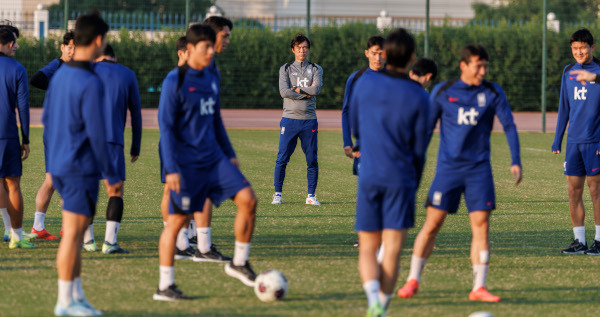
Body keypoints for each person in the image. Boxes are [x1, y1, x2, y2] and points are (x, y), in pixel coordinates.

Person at [397, 44, 522, 302]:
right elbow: (425, 131)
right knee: (432, 224)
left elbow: (509, 124)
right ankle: (413, 279)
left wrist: (515, 160)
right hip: (449, 170)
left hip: (479, 170)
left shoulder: (492, 91)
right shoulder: (444, 91)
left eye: (486, 66)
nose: (483, 71)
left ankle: (479, 287)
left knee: (481, 227)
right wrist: (412, 162)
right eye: (478, 65)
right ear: (464, 65)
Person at [155, 24, 258, 301]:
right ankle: (165, 286)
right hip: (187, 165)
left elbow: (216, 120)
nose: (212, 51)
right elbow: (165, 128)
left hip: (214, 159)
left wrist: (230, 152)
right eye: (206, 47)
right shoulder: (174, 80)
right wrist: (172, 168)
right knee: (176, 223)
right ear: (189, 51)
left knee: (249, 200)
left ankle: (238, 262)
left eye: (213, 46)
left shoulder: (211, 77)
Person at [43, 12, 120, 315]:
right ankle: (64, 302)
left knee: (75, 235)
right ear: (99, 40)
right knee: (74, 236)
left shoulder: (59, 73)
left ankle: (76, 295)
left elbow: (48, 119)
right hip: (80, 169)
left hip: (61, 164)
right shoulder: (91, 81)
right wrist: (111, 172)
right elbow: (98, 133)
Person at [349, 28, 429, 317]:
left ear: (383, 54)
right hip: (401, 178)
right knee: (392, 249)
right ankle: (381, 306)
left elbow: (357, 129)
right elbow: (420, 146)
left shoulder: (364, 85)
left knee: (368, 246)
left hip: (369, 174)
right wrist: (414, 182)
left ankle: (372, 300)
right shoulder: (419, 95)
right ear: (411, 57)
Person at [183, 15, 238, 263]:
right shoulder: (191, 72)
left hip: (205, 146)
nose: (227, 40)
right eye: (224, 35)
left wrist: (227, 150)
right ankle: (182, 244)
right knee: (176, 203)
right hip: (188, 147)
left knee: (203, 194)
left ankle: (197, 243)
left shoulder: (211, 68)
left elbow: (214, 116)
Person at [83, 43, 142, 254]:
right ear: (114, 58)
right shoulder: (127, 74)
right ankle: (110, 242)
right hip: (113, 141)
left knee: (88, 190)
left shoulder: (85, 70)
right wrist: (136, 145)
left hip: (86, 140)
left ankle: (88, 241)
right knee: (115, 191)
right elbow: (136, 112)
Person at [552, 28, 600, 256]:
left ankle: (599, 241)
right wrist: (557, 139)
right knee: (574, 191)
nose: (578, 52)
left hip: (595, 141)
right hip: (574, 143)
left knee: (596, 191)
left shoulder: (599, 71)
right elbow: (564, 107)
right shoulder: (568, 71)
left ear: (592, 47)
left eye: (582, 47)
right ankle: (579, 241)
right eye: (574, 48)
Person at [28, 31, 75, 240]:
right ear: (62, 48)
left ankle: (38, 227)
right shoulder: (57, 65)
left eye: (76, 47)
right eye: (69, 47)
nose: (73, 51)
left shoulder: (79, 69)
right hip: (59, 133)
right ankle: (67, 227)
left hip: (67, 133)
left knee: (53, 180)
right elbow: (36, 79)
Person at [158, 35, 197, 260]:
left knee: (188, 191)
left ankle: (185, 235)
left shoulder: (196, 78)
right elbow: (166, 122)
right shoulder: (174, 79)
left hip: (190, 146)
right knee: (171, 190)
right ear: (181, 53)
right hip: (173, 145)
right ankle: (174, 235)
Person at [272, 33, 323, 206]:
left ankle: (311, 196)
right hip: (289, 120)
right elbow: (284, 92)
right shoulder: (285, 68)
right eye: (299, 47)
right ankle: (277, 194)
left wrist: (299, 90)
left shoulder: (316, 68)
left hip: (309, 121)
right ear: (293, 49)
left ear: (308, 49)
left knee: (311, 159)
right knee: (282, 158)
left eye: (305, 47)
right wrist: (304, 95)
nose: (302, 51)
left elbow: (316, 90)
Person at [0, 25, 33, 249]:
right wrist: (26, 138)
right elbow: (23, 108)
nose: (16, 46)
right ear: (9, 43)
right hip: (6, 134)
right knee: (13, 185)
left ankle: (7, 229)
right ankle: (17, 236)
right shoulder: (17, 69)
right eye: (14, 42)